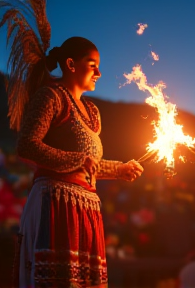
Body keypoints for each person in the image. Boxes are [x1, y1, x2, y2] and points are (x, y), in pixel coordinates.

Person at [0, 2, 144, 288]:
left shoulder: (92, 112)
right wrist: (78, 161)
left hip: (85, 208)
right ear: (70, 64)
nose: (98, 73)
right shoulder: (50, 97)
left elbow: (87, 164)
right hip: (54, 205)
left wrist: (120, 169)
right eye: (93, 66)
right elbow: (27, 146)